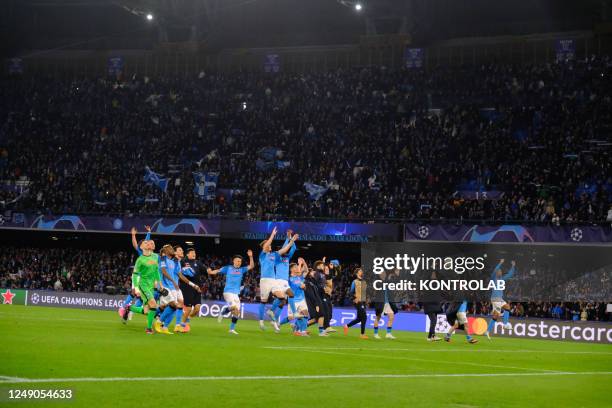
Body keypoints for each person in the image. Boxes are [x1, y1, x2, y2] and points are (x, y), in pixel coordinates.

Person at [207, 250, 255, 335]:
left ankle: (231, 329)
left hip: (236, 293)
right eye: (237, 261)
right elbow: (217, 271)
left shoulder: (242, 270)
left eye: (240, 261)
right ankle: (224, 311)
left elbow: (251, 266)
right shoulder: (228, 268)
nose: (239, 262)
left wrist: (250, 256)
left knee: (237, 312)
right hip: (228, 292)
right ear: (233, 261)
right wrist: (211, 272)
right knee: (234, 308)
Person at [126, 240, 165, 334]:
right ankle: (148, 329)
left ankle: (130, 308)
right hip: (143, 285)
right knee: (153, 304)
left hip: (151, 286)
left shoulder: (155, 256)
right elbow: (135, 274)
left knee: (147, 310)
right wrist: (136, 288)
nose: (148, 244)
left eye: (149, 243)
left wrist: (160, 284)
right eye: (145, 243)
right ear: (141, 248)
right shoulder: (140, 260)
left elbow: (156, 271)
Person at [484, 259, 516, 339]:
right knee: (507, 307)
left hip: (497, 299)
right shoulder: (493, 279)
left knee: (495, 316)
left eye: (500, 271)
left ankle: (487, 331)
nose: (499, 272)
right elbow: (495, 270)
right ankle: (505, 324)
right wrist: (500, 263)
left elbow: (510, 274)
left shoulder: (502, 279)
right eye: (498, 271)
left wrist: (513, 266)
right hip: (496, 298)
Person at [177, 247, 203, 333]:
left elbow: (206, 270)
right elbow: (179, 273)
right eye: (192, 253)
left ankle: (187, 319)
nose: (194, 254)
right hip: (187, 288)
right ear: (187, 254)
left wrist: (211, 271)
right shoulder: (183, 261)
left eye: (194, 252)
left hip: (197, 288)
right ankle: (181, 325)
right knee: (188, 308)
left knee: (197, 309)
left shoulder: (198, 263)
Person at [343, 268, 368, 339]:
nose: (362, 272)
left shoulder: (364, 282)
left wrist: (366, 301)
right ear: (357, 273)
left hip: (363, 301)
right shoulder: (355, 282)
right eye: (360, 271)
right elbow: (351, 292)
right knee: (364, 317)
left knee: (359, 318)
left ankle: (346, 326)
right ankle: (362, 334)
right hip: (358, 302)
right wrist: (355, 298)